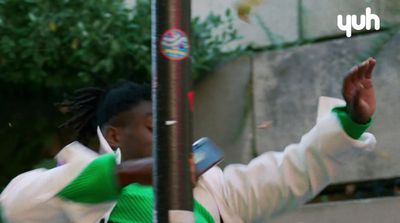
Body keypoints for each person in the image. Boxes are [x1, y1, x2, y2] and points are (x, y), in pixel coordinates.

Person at [0, 58, 377, 223]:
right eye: (153, 127)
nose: (168, 137)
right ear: (115, 135)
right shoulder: (86, 184)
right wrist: (133, 174)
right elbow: (14, 206)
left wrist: (351, 121)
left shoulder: (211, 187)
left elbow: (290, 173)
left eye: (172, 127)